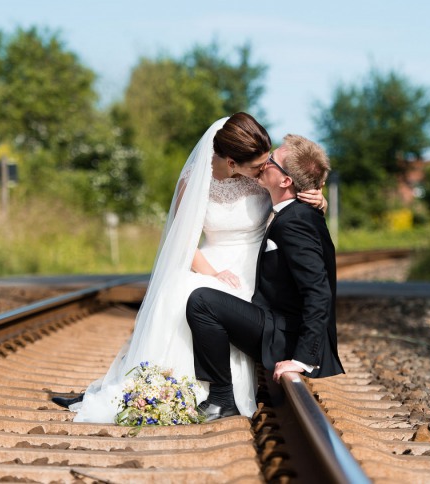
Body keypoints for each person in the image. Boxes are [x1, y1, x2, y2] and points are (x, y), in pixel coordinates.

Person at [56, 114, 327, 422]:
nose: (264, 168)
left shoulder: (262, 177)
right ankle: (161, 389)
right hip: (209, 262)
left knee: (212, 300)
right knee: (179, 293)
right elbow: (184, 241)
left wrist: (318, 197)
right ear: (231, 161)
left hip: (255, 267)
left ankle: (219, 394)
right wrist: (211, 273)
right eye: (257, 165)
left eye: (267, 163)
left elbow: (293, 193)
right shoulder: (196, 181)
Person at [186, 134, 344, 422]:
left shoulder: (295, 221)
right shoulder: (295, 212)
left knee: (201, 301)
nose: (264, 163)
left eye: (271, 161)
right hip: (277, 321)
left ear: (285, 181)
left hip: (283, 334)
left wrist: (302, 359)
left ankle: (222, 399)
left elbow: (318, 292)